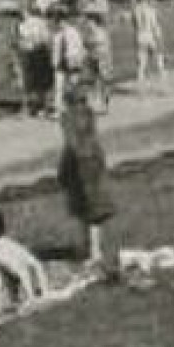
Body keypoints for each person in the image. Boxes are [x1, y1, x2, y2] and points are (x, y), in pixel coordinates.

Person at [57, 89, 115, 269]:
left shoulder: (68, 117)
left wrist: (64, 168)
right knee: (92, 210)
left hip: (79, 164)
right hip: (94, 161)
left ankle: (92, 250)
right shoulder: (89, 114)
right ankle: (90, 248)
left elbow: (71, 144)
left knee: (86, 209)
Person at [0, 206, 48, 306]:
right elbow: (34, 265)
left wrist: (31, 297)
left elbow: (21, 271)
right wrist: (43, 290)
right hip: (38, 284)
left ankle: (18, 298)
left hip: (29, 292)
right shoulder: (11, 243)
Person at [132, 0, 168, 91]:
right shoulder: (150, 10)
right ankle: (164, 87)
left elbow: (134, 24)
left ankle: (140, 88)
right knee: (159, 61)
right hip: (150, 36)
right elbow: (155, 26)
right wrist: (160, 41)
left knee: (141, 64)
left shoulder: (135, 10)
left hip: (139, 36)